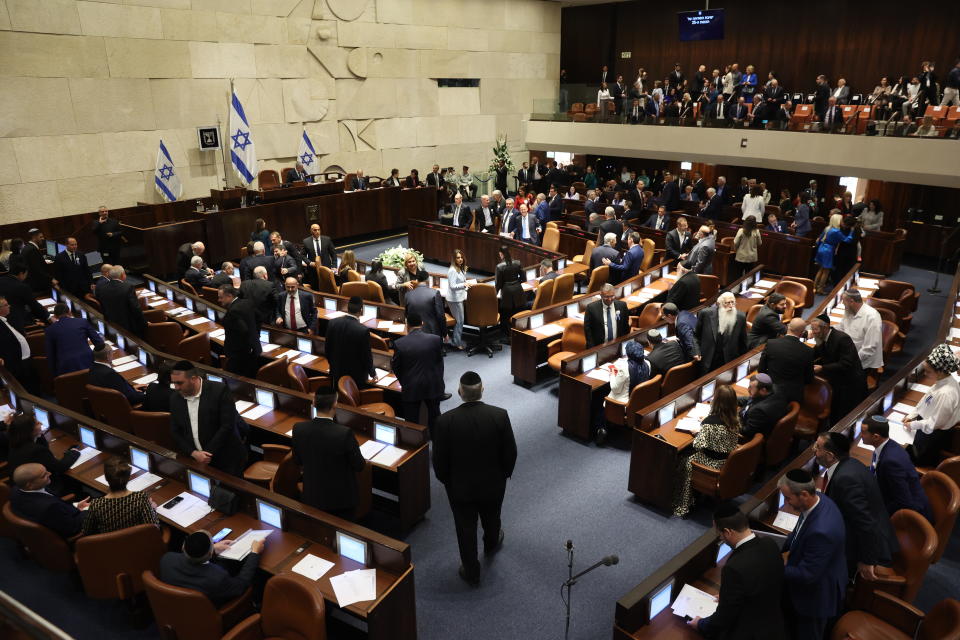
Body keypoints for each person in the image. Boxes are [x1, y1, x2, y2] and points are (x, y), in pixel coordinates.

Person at [432, 371, 516, 586]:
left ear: (460, 392)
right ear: (482, 389)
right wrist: (503, 476)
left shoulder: (444, 422)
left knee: (465, 529)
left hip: (460, 488)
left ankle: (471, 571)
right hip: (493, 484)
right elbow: (510, 453)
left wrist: (448, 482)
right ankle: (491, 543)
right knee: (492, 516)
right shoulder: (500, 415)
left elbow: (439, 461)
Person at [687, 503, 786, 639]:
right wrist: (729, 597)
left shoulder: (734, 568)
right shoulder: (770, 544)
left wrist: (700, 624)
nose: (720, 537)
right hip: (775, 624)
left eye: (719, 533)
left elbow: (724, 617)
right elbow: (762, 582)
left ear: (728, 532)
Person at [815, 432, 897, 580]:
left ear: (830, 456)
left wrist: (867, 560)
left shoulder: (845, 479)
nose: (813, 450)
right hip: (859, 530)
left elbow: (864, 522)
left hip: (868, 546)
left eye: (818, 447)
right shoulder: (850, 463)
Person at [778, 469, 847, 640]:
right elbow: (799, 530)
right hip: (811, 576)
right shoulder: (820, 499)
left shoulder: (821, 531)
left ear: (803, 495)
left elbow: (807, 574)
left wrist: (773, 566)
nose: (786, 504)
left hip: (815, 598)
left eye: (788, 498)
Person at [291, 387, 366, 519]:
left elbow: (298, 460)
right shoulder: (344, 433)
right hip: (341, 501)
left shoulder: (298, 429)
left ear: (313, 403)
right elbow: (359, 465)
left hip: (312, 496)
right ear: (335, 405)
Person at [673, 385, 741, 517]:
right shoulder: (735, 420)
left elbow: (698, 445)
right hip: (726, 462)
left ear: (716, 401)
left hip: (711, 463)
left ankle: (683, 503)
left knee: (684, 459)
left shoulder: (709, 423)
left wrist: (698, 432)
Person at [170, 361, 247, 475]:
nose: (176, 387)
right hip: (195, 459)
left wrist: (207, 453)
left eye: (180, 383)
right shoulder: (175, 398)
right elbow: (175, 431)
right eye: (174, 383)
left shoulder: (219, 391)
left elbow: (227, 426)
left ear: (194, 378)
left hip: (226, 458)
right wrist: (194, 453)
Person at [159, 530, 264, 607]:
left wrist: (212, 550)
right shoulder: (216, 577)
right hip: (211, 616)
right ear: (209, 553)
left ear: (183, 546)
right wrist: (255, 553)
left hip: (176, 609)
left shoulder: (167, 559)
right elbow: (241, 585)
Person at [861, 415, 933, 521]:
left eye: (863, 432)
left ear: (876, 437)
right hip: (893, 497)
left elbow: (903, 502)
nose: (861, 435)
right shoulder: (888, 445)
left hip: (912, 518)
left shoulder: (890, 462)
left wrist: (876, 512)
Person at [904, 343, 960, 466]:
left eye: (928, 372)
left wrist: (913, 424)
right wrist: (913, 414)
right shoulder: (943, 381)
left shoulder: (946, 393)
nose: (925, 374)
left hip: (931, 438)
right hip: (924, 426)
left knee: (904, 459)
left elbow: (934, 424)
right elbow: (926, 398)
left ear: (940, 372)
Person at [809, 314, 867, 424]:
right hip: (835, 377)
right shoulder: (821, 337)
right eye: (812, 329)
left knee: (843, 414)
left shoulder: (842, 339)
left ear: (825, 327)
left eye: (815, 329)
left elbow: (846, 364)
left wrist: (822, 368)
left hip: (849, 382)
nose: (813, 332)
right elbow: (814, 353)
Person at [392, 312, 445, 430]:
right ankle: (437, 443)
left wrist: (405, 381)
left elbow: (396, 368)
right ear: (422, 323)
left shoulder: (399, 344)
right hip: (432, 385)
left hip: (411, 387)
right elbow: (439, 363)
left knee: (412, 422)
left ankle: (416, 446)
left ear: (407, 325)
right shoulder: (435, 339)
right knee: (435, 417)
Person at [7, 413, 81, 496]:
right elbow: (61, 467)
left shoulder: (15, 444)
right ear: (30, 430)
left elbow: (45, 448)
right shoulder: (36, 450)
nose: (41, 424)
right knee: (74, 482)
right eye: (37, 423)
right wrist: (74, 452)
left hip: (23, 487)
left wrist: (39, 434)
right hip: (46, 487)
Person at [81, 457, 160, 535]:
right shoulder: (140, 498)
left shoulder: (96, 504)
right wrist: (152, 510)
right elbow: (154, 529)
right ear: (128, 478)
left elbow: (86, 531)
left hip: (109, 546)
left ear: (105, 477)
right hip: (137, 545)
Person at [9, 463, 88, 538]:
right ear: (30, 485)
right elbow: (73, 528)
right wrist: (89, 510)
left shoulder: (17, 490)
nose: (49, 473)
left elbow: (57, 507)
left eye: (46, 471)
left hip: (59, 518)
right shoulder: (48, 507)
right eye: (44, 475)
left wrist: (75, 507)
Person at [325, 296, 375, 388]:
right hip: (355, 376)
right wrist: (372, 373)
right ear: (361, 310)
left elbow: (327, 348)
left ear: (348, 308)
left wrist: (332, 364)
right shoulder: (363, 330)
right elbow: (366, 355)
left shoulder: (332, 323)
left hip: (336, 371)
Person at [694, 292, 747, 375]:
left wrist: (740, 363)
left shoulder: (741, 317)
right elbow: (695, 336)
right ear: (719, 304)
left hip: (728, 361)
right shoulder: (705, 314)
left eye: (733, 302)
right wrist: (696, 351)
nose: (731, 305)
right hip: (708, 360)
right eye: (727, 303)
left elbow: (743, 343)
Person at [45, 302, 103, 376]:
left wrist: (55, 377)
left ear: (55, 316)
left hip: (65, 370)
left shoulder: (50, 330)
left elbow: (50, 355)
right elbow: (99, 343)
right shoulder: (82, 322)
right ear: (69, 312)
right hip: (88, 365)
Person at [0, 296, 41, 393]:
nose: (9, 306)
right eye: (6, 305)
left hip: (24, 361)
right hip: (17, 365)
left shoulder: (5, 319)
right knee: (29, 391)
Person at [218, 285, 261, 378]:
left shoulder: (233, 311)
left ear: (229, 296)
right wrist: (255, 336)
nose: (219, 300)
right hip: (254, 348)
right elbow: (259, 318)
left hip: (240, 356)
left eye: (221, 297)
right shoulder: (248, 302)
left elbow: (243, 330)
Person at [839, 289, 883, 373]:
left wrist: (851, 361)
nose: (843, 304)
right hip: (849, 354)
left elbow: (869, 348)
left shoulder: (872, 317)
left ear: (851, 302)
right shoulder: (849, 311)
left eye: (844, 302)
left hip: (862, 363)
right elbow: (841, 327)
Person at [96, 265, 146, 337]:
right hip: (129, 326)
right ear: (122, 275)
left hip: (111, 323)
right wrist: (144, 323)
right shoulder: (128, 287)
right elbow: (135, 308)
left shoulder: (102, 288)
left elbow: (103, 306)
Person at [813, 213, 855, 294]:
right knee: (826, 271)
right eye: (841, 220)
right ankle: (820, 289)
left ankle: (814, 287)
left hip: (822, 247)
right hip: (828, 250)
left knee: (821, 269)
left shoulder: (828, 228)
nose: (842, 221)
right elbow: (847, 240)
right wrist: (851, 232)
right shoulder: (836, 231)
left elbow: (819, 239)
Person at [738, 373, 788, 440]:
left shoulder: (759, 411)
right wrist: (731, 397)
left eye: (751, 387)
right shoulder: (775, 389)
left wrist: (730, 422)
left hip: (750, 440)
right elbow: (751, 399)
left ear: (763, 390)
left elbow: (747, 432)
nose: (748, 389)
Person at [495, 246, 524, 337]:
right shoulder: (518, 263)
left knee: (505, 314)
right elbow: (523, 278)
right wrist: (516, 283)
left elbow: (498, 284)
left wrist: (494, 294)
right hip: (518, 291)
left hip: (507, 293)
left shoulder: (499, 267)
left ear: (501, 254)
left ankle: (506, 335)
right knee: (517, 313)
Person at [445, 249, 469, 350]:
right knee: (460, 321)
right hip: (454, 299)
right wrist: (464, 284)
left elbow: (461, 281)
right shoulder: (452, 270)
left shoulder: (460, 268)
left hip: (459, 297)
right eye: (458, 258)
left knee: (460, 320)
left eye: (461, 257)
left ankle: (456, 339)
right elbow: (453, 286)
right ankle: (456, 342)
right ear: (454, 259)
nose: (460, 259)